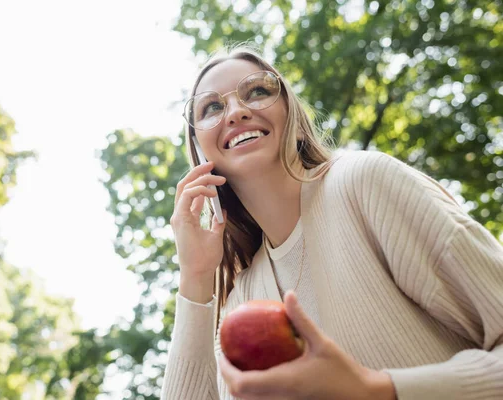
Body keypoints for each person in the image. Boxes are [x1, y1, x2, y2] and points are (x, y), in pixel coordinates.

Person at [160, 44, 503, 400]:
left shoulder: (364, 184)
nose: (236, 112)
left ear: (293, 120)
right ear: (201, 150)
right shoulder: (242, 299)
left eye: (258, 91)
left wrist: (378, 390)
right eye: (212, 107)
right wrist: (195, 276)